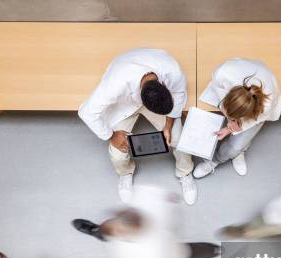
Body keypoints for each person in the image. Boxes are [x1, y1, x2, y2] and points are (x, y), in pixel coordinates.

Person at [79, 48, 197, 205]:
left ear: (164, 85)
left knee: (179, 139)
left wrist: (168, 124)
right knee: (118, 153)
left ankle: (185, 172)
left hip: (151, 91)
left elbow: (179, 94)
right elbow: (86, 112)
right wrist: (111, 136)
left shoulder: (172, 71)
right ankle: (125, 173)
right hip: (124, 104)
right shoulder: (115, 85)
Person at [72, 185, 219, 258]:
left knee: (194, 252)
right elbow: (157, 195)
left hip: (175, 253)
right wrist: (168, 198)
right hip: (152, 238)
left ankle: (215, 250)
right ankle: (96, 231)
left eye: (117, 228)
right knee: (105, 232)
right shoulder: (150, 206)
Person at [193, 58, 281, 179]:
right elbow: (217, 86)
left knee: (236, 145)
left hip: (266, 84)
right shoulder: (223, 73)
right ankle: (233, 152)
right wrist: (230, 121)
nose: (228, 119)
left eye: (233, 119)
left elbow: (251, 122)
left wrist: (230, 129)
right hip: (246, 68)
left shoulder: (266, 107)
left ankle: (225, 157)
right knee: (238, 140)